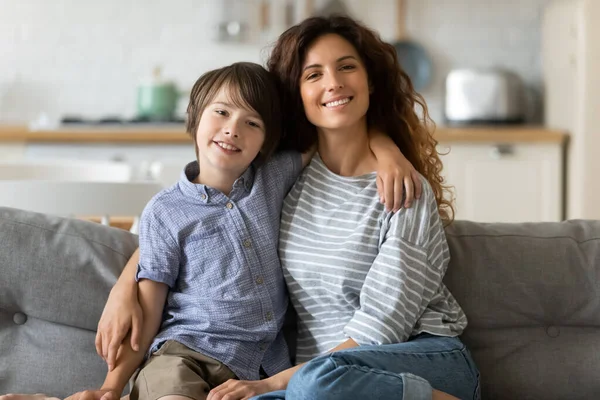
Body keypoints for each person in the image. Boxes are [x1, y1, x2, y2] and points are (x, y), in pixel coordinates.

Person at [13, 15, 474, 400]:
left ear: (369, 81)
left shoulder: (396, 187)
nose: (332, 83)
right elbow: (186, 220)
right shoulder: (289, 181)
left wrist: (271, 383)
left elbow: (383, 324)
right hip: (307, 378)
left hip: (408, 358)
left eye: (346, 67)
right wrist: (124, 284)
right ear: (298, 95)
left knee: (312, 383)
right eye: (313, 74)